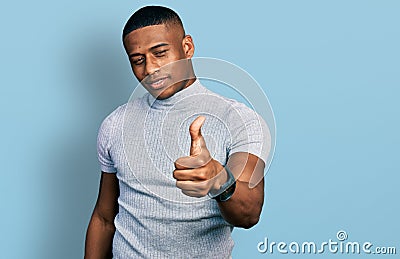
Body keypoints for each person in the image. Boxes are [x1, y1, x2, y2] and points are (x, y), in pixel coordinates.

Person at [85, 5, 271, 258]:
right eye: (137, 60)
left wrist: (219, 179)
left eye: (160, 53)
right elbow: (105, 218)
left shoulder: (240, 119)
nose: (150, 69)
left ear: (187, 47)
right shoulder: (115, 124)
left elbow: (249, 214)